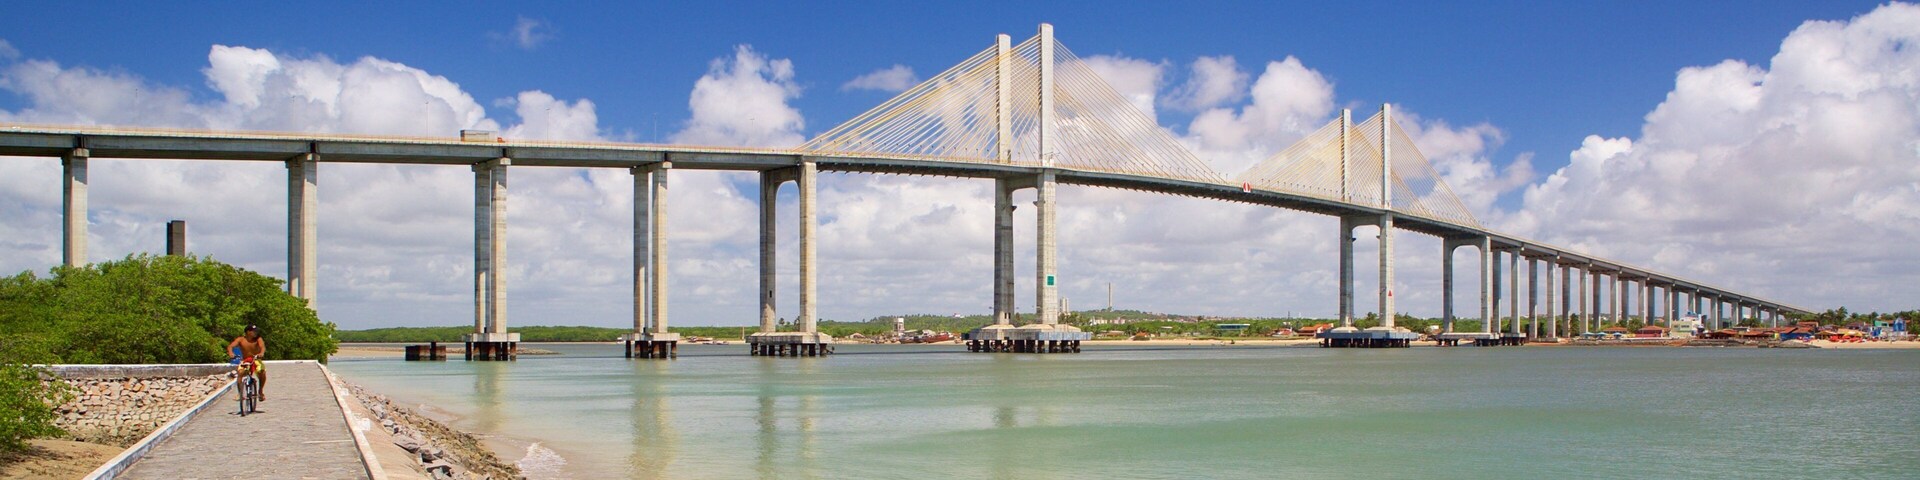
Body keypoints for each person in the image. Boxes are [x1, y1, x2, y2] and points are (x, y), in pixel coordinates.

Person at [229, 325, 267, 401]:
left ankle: (260, 391)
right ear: (248, 332)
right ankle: (240, 394)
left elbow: (262, 347)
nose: (256, 333)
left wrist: (261, 353)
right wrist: (231, 353)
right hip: (245, 360)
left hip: (256, 359)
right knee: (240, 373)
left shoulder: (258, 339)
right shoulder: (241, 339)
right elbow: (231, 346)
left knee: (262, 372)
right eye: (254, 331)